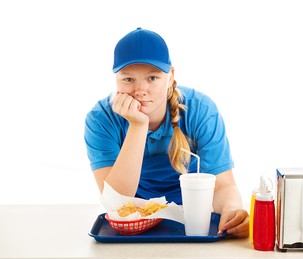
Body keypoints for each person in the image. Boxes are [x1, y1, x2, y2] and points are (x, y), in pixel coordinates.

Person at [84, 28, 249, 238]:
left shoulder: (200, 110)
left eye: (152, 78)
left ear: (170, 77)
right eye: (128, 79)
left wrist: (231, 210)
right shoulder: (100, 119)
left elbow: (223, 185)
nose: (140, 90)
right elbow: (116, 202)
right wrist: (137, 126)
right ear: (116, 79)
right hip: (135, 221)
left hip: (190, 218)